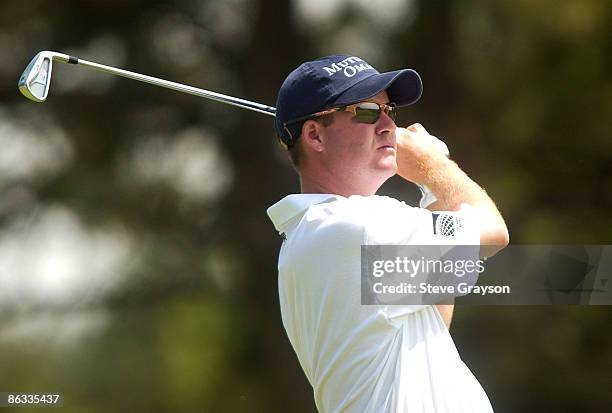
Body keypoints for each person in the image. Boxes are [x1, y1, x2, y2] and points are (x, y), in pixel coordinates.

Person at [267, 54, 509, 413]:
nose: (388, 126)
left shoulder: (321, 232)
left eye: (389, 111)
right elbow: (493, 232)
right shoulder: (355, 225)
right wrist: (434, 167)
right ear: (315, 135)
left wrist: (432, 190)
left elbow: (436, 312)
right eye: (366, 111)